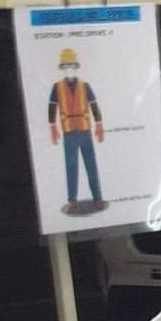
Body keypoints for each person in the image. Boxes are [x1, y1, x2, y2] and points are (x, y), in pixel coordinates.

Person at [44, 46, 107, 215]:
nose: (69, 69)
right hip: (68, 132)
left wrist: (99, 124)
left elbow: (94, 106)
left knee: (91, 165)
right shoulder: (57, 87)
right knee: (71, 166)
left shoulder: (84, 86)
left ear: (76, 66)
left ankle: (97, 198)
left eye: (71, 65)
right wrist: (52, 126)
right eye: (65, 66)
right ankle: (72, 200)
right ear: (62, 68)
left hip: (85, 131)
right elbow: (52, 107)